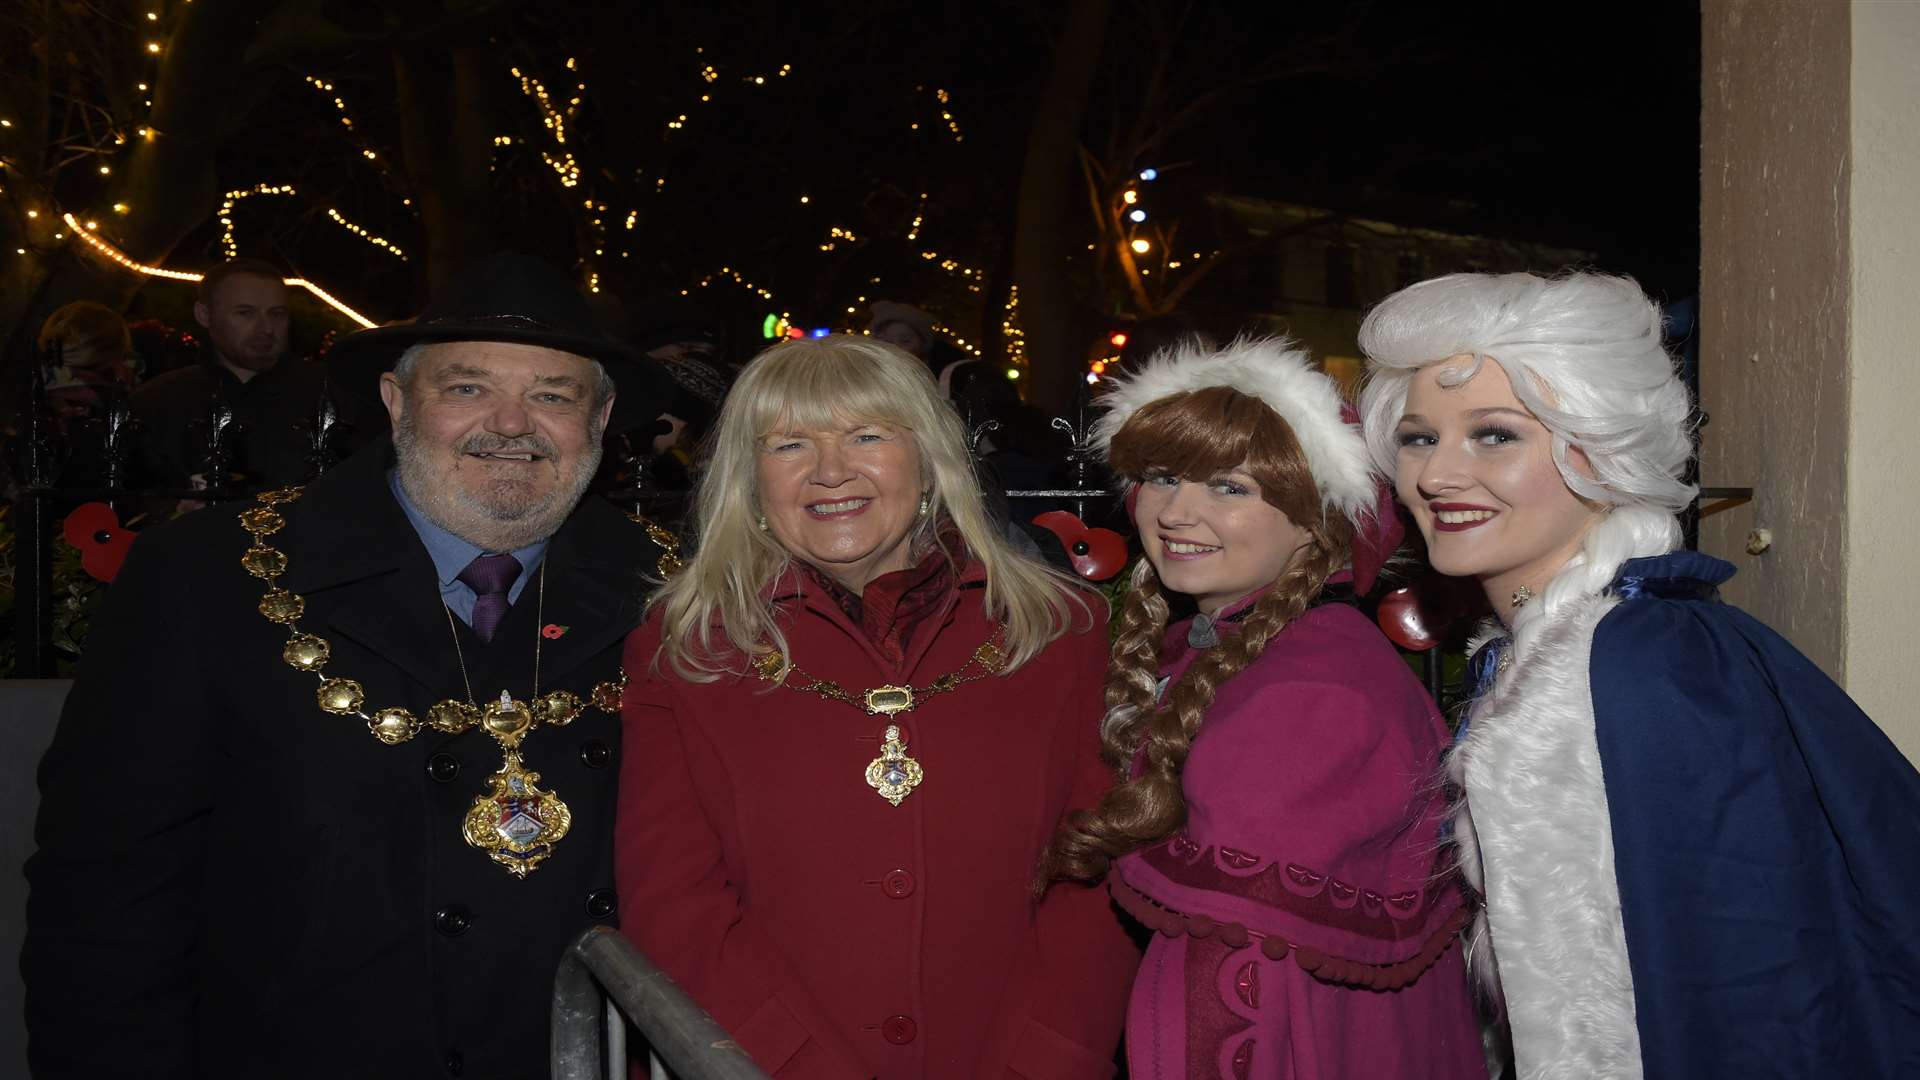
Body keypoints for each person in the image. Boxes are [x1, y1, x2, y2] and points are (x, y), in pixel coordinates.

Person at [23, 253, 672, 1079]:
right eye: (467, 388)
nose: (511, 424)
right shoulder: (207, 579)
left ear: (604, 416)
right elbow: (108, 898)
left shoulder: (679, 594)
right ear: (397, 402)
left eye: (553, 395)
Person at [1357, 271, 1920, 1079]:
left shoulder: (1644, 663)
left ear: (1603, 446)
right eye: (1418, 437)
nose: (1437, 476)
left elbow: (1748, 989)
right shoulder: (1555, 652)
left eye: (1495, 435)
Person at [616, 334, 1138, 1078]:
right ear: (750, 478)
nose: (831, 471)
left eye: (867, 435)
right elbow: (674, 907)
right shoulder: (686, 650)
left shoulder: (1060, 631)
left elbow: (1095, 875)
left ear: (927, 460)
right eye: (790, 443)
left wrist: (1040, 1061)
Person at [1043, 339, 1485, 1080]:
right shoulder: (1230, 646)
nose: (1176, 512)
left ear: (1316, 521)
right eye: (1160, 477)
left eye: (1230, 487)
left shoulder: (1313, 696)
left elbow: (1224, 1000)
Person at [129, 257, 331, 498]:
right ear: (204, 314)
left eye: (277, 314)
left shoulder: (330, 393)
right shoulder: (156, 401)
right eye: (245, 313)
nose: (266, 328)